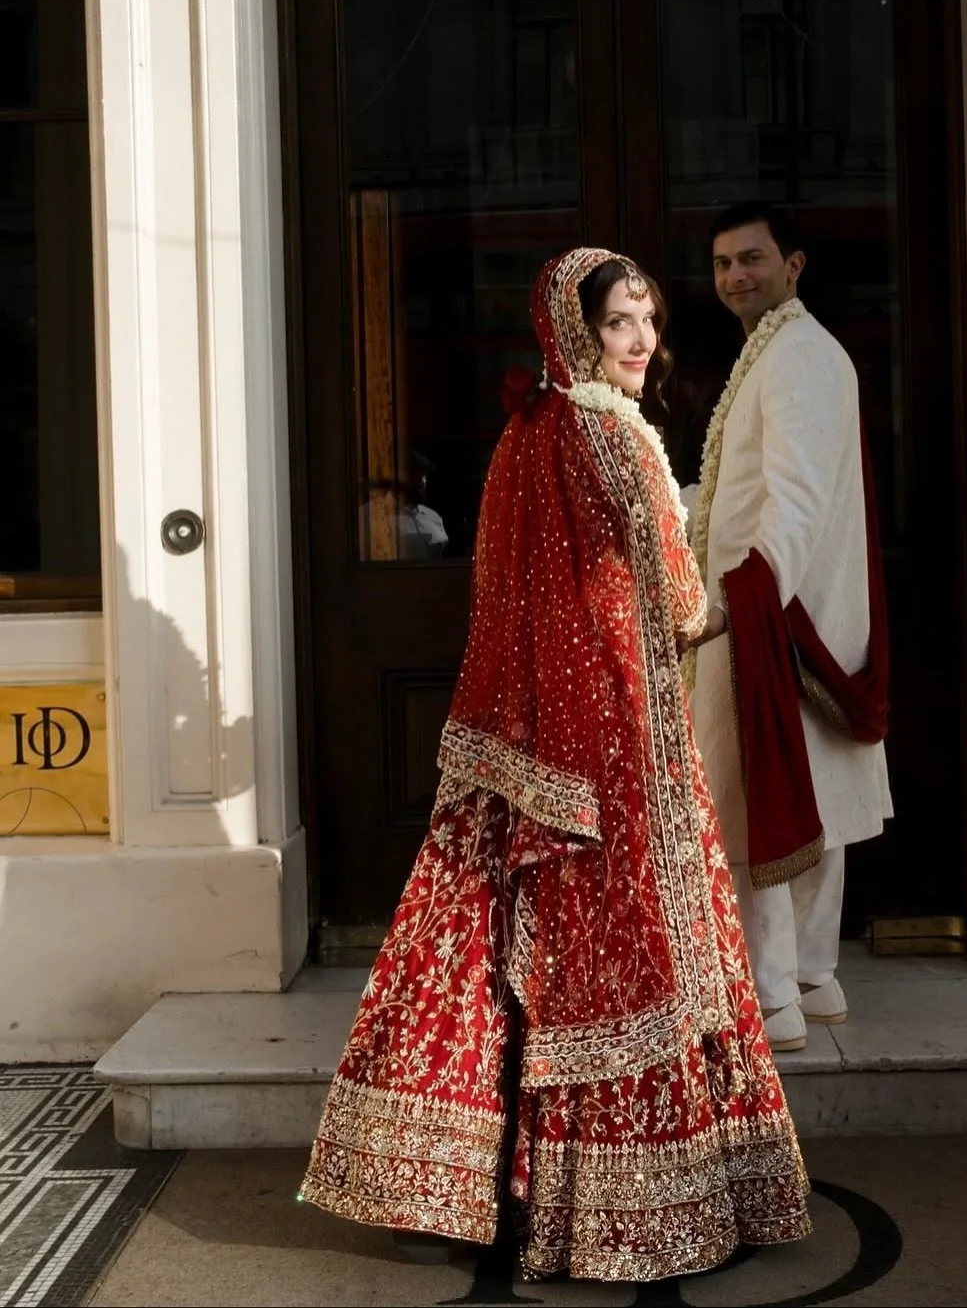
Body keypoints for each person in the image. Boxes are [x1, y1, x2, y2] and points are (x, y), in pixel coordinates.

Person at [299, 247, 811, 1282]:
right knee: (630, 958)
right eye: (620, 320)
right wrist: (739, 606)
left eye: (648, 318)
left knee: (477, 948)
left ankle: (445, 1190)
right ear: (577, 330)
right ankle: (636, 1208)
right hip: (620, 744)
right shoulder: (614, 436)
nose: (642, 338)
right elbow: (679, 604)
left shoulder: (525, 432)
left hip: (522, 746)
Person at [686, 203, 891, 1053]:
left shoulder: (797, 355)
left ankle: (772, 996)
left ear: (792, 263)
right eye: (723, 263)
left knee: (757, 803)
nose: (736, 275)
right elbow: (744, 489)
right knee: (813, 803)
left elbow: (796, 499)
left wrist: (744, 597)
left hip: (773, 615)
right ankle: (812, 974)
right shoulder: (785, 350)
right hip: (796, 610)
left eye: (752, 258)